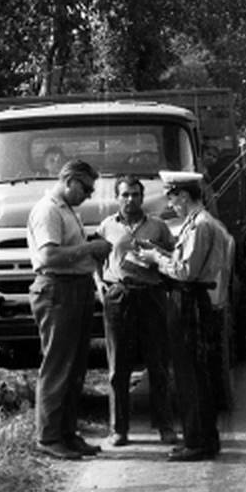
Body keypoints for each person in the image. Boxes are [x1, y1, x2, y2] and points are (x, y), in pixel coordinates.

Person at [135, 175, 230, 462]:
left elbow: (186, 271)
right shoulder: (196, 223)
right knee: (191, 372)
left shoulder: (201, 226)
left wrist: (156, 260)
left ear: (184, 196)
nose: (170, 204)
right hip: (188, 298)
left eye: (171, 197)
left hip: (190, 300)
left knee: (192, 374)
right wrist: (161, 253)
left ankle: (198, 442)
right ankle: (198, 437)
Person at [26, 159, 112, 460]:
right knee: (58, 365)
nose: (88, 195)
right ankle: (49, 437)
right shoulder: (48, 210)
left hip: (75, 289)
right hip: (57, 290)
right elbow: (48, 256)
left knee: (75, 366)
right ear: (69, 181)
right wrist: (90, 249)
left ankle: (66, 433)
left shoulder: (67, 210)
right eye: (85, 188)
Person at [96, 176, 177, 448]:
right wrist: (100, 285)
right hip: (119, 296)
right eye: (125, 195)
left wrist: (156, 257)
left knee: (158, 364)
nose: (130, 199)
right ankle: (119, 429)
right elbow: (96, 257)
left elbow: (172, 255)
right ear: (117, 198)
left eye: (135, 195)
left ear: (142, 198)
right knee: (118, 367)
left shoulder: (157, 226)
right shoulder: (107, 226)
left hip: (151, 295)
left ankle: (165, 426)